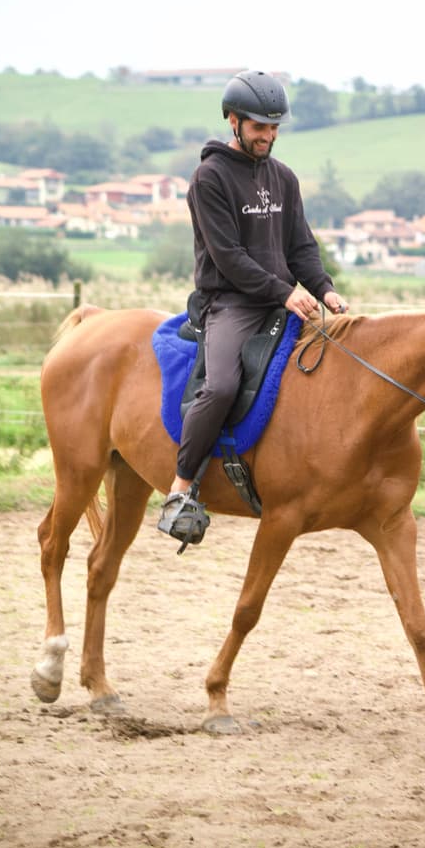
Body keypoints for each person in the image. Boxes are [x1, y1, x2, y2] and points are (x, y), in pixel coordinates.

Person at [161, 69, 349, 525]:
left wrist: (324, 289)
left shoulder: (283, 178)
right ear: (233, 121)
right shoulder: (209, 178)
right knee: (222, 385)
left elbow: (300, 247)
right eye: (259, 126)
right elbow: (228, 257)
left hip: (278, 299)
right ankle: (181, 487)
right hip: (229, 303)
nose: (268, 135)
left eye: (274, 127)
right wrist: (285, 293)